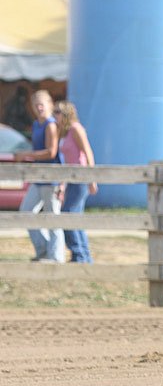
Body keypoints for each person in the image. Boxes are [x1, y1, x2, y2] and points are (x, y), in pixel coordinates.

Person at [13, 90, 65, 262]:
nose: (39, 107)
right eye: (36, 105)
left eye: (42, 104)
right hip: (38, 178)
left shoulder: (51, 124)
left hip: (51, 178)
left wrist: (28, 155)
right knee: (26, 211)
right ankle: (43, 249)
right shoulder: (36, 124)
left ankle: (56, 256)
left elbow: (52, 152)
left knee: (52, 217)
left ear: (49, 104)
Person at [55, 101, 97, 263]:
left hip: (81, 178)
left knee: (69, 214)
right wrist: (62, 184)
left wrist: (92, 178)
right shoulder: (64, 132)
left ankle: (79, 254)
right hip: (70, 179)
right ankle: (83, 256)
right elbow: (66, 161)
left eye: (58, 112)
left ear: (66, 113)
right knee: (75, 216)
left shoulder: (76, 129)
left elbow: (87, 152)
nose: (55, 116)